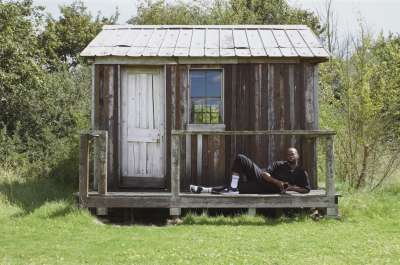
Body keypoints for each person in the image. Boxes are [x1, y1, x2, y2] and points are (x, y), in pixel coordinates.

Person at [190, 147, 311, 195]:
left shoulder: (301, 172)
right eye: (288, 153)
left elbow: (306, 189)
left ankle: (203, 190)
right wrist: (277, 182)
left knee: (237, 188)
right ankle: (233, 188)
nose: (290, 155)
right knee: (240, 158)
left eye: (293, 153)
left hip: (264, 190)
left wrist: (291, 188)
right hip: (262, 179)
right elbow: (264, 173)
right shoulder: (280, 164)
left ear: (298, 156)